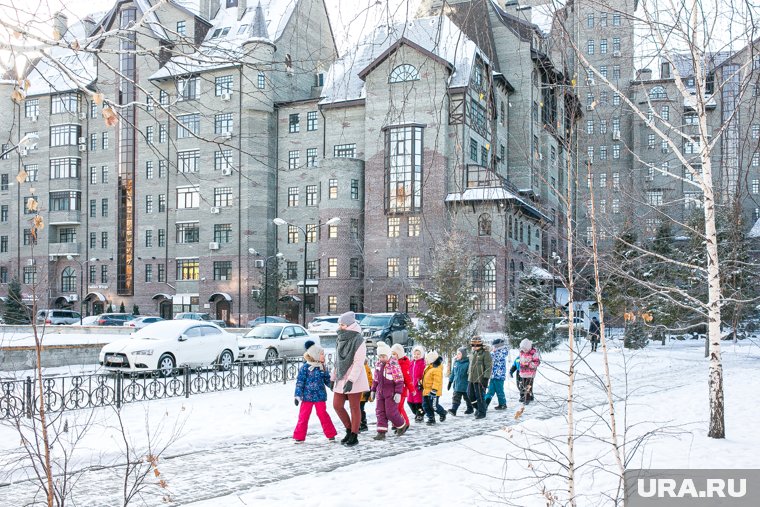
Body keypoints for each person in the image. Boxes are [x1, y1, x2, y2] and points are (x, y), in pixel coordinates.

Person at [331, 311, 368, 447]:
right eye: (340, 324)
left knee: (354, 407)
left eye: (343, 324)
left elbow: (358, 363)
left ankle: (354, 434)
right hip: (341, 377)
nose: (341, 327)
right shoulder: (340, 338)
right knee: (337, 405)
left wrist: (351, 381)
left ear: (350, 325)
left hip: (355, 378)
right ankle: (348, 429)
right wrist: (332, 377)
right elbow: (338, 360)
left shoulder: (358, 340)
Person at [293, 343, 338, 442]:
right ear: (315, 355)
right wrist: (297, 395)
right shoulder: (305, 368)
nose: (324, 356)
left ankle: (331, 434)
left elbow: (327, 380)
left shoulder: (322, 367)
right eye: (322, 354)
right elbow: (300, 382)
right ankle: (299, 437)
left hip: (320, 397)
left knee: (323, 415)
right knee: (303, 417)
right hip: (306, 397)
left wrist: (333, 386)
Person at [369, 342, 409, 440]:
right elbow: (376, 379)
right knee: (380, 412)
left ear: (388, 355)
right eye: (380, 356)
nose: (381, 358)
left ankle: (401, 425)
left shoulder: (393, 364)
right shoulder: (378, 364)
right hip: (380, 392)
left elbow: (399, 379)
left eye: (383, 356)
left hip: (390, 392)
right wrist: (373, 390)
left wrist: (398, 393)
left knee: (390, 412)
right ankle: (381, 432)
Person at [391, 343, 416, 429]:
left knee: (399, 407)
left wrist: (412, 389)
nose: (392, 356)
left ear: (399, 354)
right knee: (394, 407)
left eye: (394, 354)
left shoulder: (403, 364)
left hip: (402, 389)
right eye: (392, 353)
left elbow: (408, 379)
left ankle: (406, 423)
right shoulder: (393, 363)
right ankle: (396, 423)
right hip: (394, 389)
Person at [467, 335, 492, 419]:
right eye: (473, 345)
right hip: (471, 378)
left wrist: (486, 378)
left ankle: (482, 412)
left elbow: (488, 366)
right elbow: (471, 365)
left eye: (476, 345)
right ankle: (478, 408)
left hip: (480, 378)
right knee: (470, 395)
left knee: (479, 396)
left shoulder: (485, 353)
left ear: (480, 345)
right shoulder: (473, 353)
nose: (474, 347)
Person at [422, 351, 447, 425]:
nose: (425, 360)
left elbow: (437, 381)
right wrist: (421, 383)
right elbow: (426, 378)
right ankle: (431, 418)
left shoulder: (437, 369)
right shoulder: (429, 367)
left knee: (434, 406)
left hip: (433, 392)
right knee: (425, 406)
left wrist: (434, 390)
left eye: (427, 359)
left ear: (432, 360)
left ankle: (442, 413)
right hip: (426, 391)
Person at [447, 346, 473, 416]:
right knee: (456, 398)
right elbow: (453, 373)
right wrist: (450, 381)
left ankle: (470, 408)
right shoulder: (456, 362)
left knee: (467, 398)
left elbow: (470, 374)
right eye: (457, 354)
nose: (457, 355)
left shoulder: (468, 363)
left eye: (459, 354)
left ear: (463, 355)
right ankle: (454, 410)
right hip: (457, 385)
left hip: (465, 385)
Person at [484, 338, 508, 410]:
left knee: (499, 391)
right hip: (493, 375)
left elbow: (495, 356)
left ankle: (503, 404)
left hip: (499, 376)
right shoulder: (495, 352)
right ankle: (485, 404)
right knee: (490, 391)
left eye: (494, 346)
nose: (493, 348)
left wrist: (490, 352)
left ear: (498, 346)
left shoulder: (502, 352)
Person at [518, 339, 541, 404]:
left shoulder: (533, 353)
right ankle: (526, 396)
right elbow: (520, 360)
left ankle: (527, 398)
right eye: (523, 349)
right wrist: (521, 364)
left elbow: (537, 362)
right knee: (522, 385)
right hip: (523, 372)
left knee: (528, 385)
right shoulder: (521, 352)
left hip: (530, 373)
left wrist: (528, 364)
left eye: (525, 349)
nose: (524, 351)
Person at [407, 345, 426, 422]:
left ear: (421, 355)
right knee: (409, 401)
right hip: (411, 386)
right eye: (415, 354)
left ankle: (420, 415)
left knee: (418, 402)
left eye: (418, 354)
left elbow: (424, 374)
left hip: (418, 386)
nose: (416, 356)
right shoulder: (411, 363)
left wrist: (421, 383)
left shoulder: (422, 363)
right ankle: (418, 413)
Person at [359, 359, 373, 432]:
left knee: (360, 408)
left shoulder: (365, 367)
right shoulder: (362, 366)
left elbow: (370, 380)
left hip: (363, 392)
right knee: (359, 408)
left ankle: (363, 424)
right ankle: (361, 424)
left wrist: (368, 390)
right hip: (360, 392)